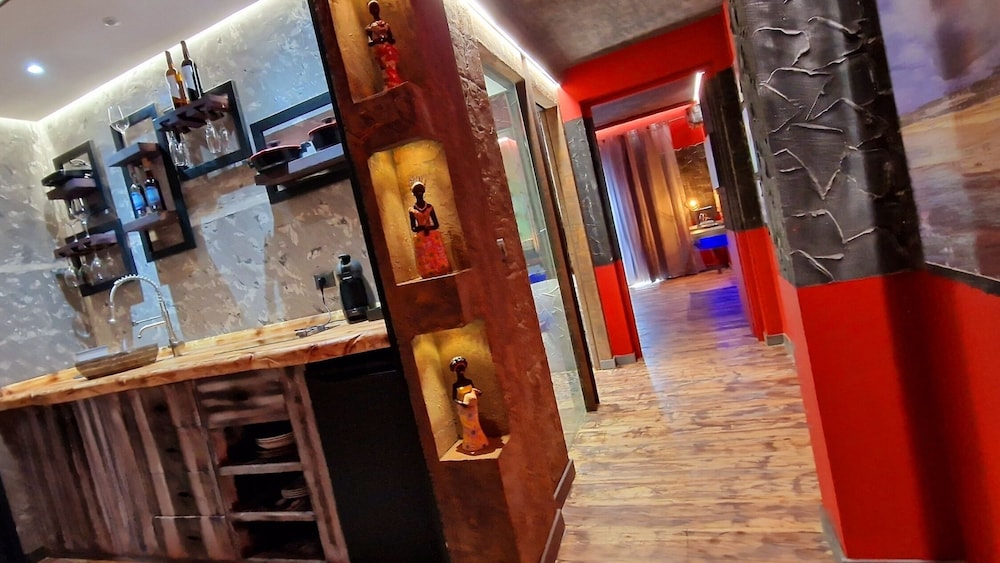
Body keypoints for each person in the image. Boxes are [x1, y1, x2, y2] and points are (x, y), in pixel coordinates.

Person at [408, 181, 452, 278]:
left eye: (421, 192)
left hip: (431, 236)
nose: (419, 194)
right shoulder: (412, 210)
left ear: (423, 192)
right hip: (421, 237)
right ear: (414, 194)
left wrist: (428, 228)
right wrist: (423, 228)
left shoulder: (430, 207)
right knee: (425, 257)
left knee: (437, 257)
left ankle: (440, 269)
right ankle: (427, 272)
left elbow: (436, 224)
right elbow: (413, 228)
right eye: (417, 192)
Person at [450, 356, 489, 454]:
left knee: (475, 424)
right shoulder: (455, 385)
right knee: (468, 427)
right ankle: (470, 444)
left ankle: (479, 442)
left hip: (472, 407)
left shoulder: (469, 381)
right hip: (463, 409)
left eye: (462, 368)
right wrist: (462, 404)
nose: (461, 371)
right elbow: (454, 398)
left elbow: (474, 390)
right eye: (459, 369)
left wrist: (478, 393)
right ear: (456, 371)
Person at [365, 0, 403, 90]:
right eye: (372, 8)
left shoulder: (386, 25)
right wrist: (377, 41)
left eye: (376, 7)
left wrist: (386, 39)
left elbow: (392, 39)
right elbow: (370, 42)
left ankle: (395, 84)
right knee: (385, 70)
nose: (375, 10)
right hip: (380, 51)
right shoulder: (369, 28)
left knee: (392, 68)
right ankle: (389, 86)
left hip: (389, 50)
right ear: (370, 11)